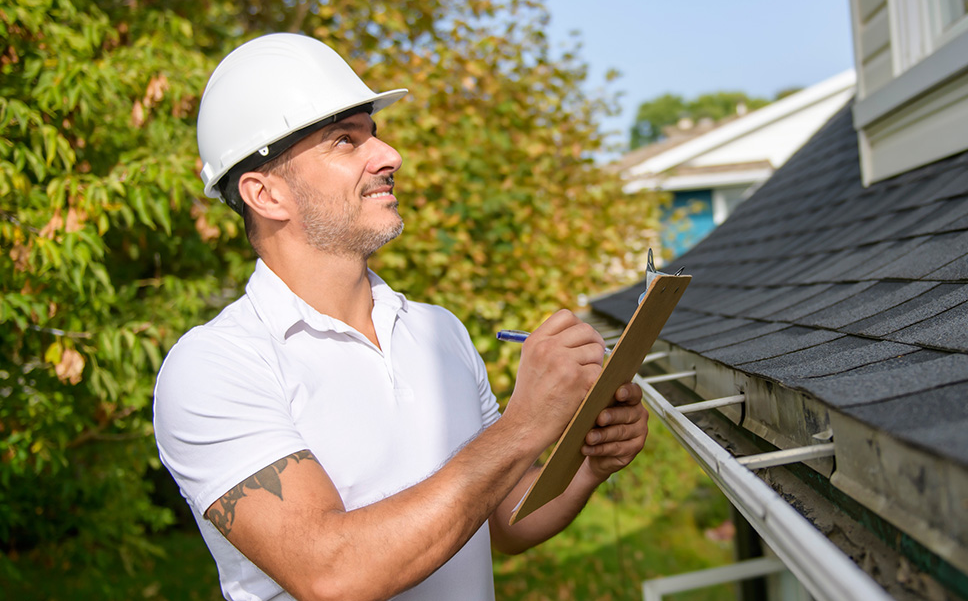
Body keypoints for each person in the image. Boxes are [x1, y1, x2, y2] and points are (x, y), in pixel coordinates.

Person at [153, 33, 649, 601]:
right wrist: (526, 425)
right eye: (344, 141)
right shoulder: (216, 366)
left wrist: (589, 465)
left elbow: (504, 518)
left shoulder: (440, 331)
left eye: (375, 134)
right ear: (265, 195)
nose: (389, 156)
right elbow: (331, 573)